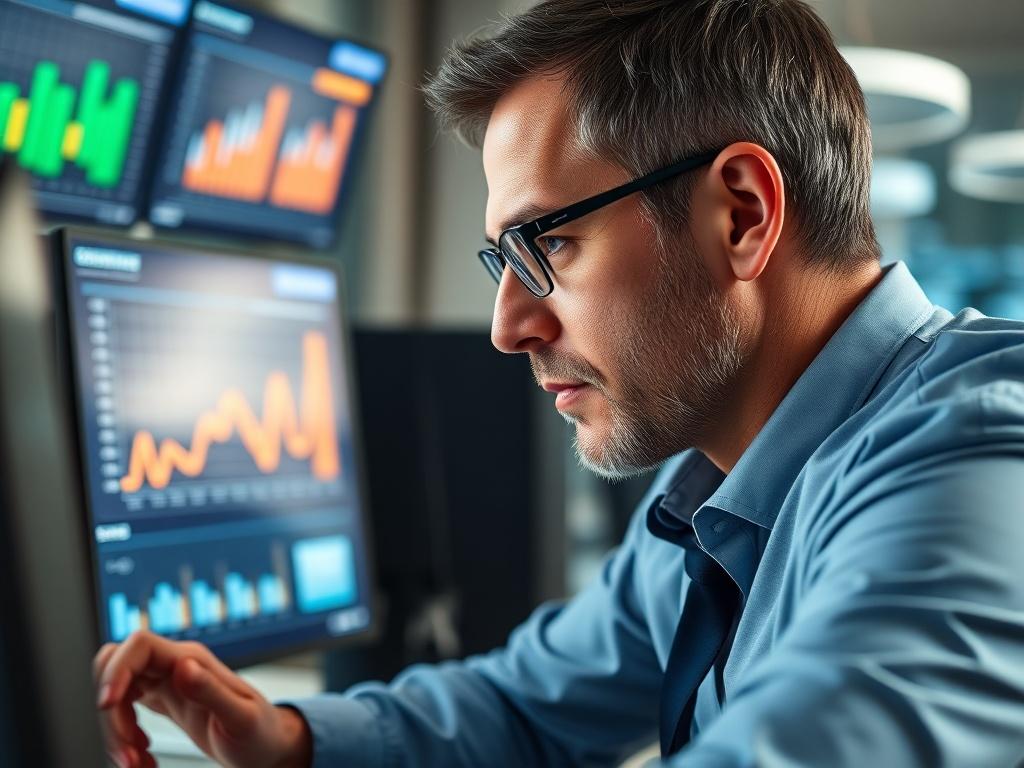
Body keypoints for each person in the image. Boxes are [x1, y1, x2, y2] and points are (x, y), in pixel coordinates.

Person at [94, 1, 1024, 766]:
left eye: (550, 245)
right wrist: (288, 740)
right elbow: (528, 708)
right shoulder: (715, 486)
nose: (510, 327)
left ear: (741, 214)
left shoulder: (978, 454)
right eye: (501, 259)